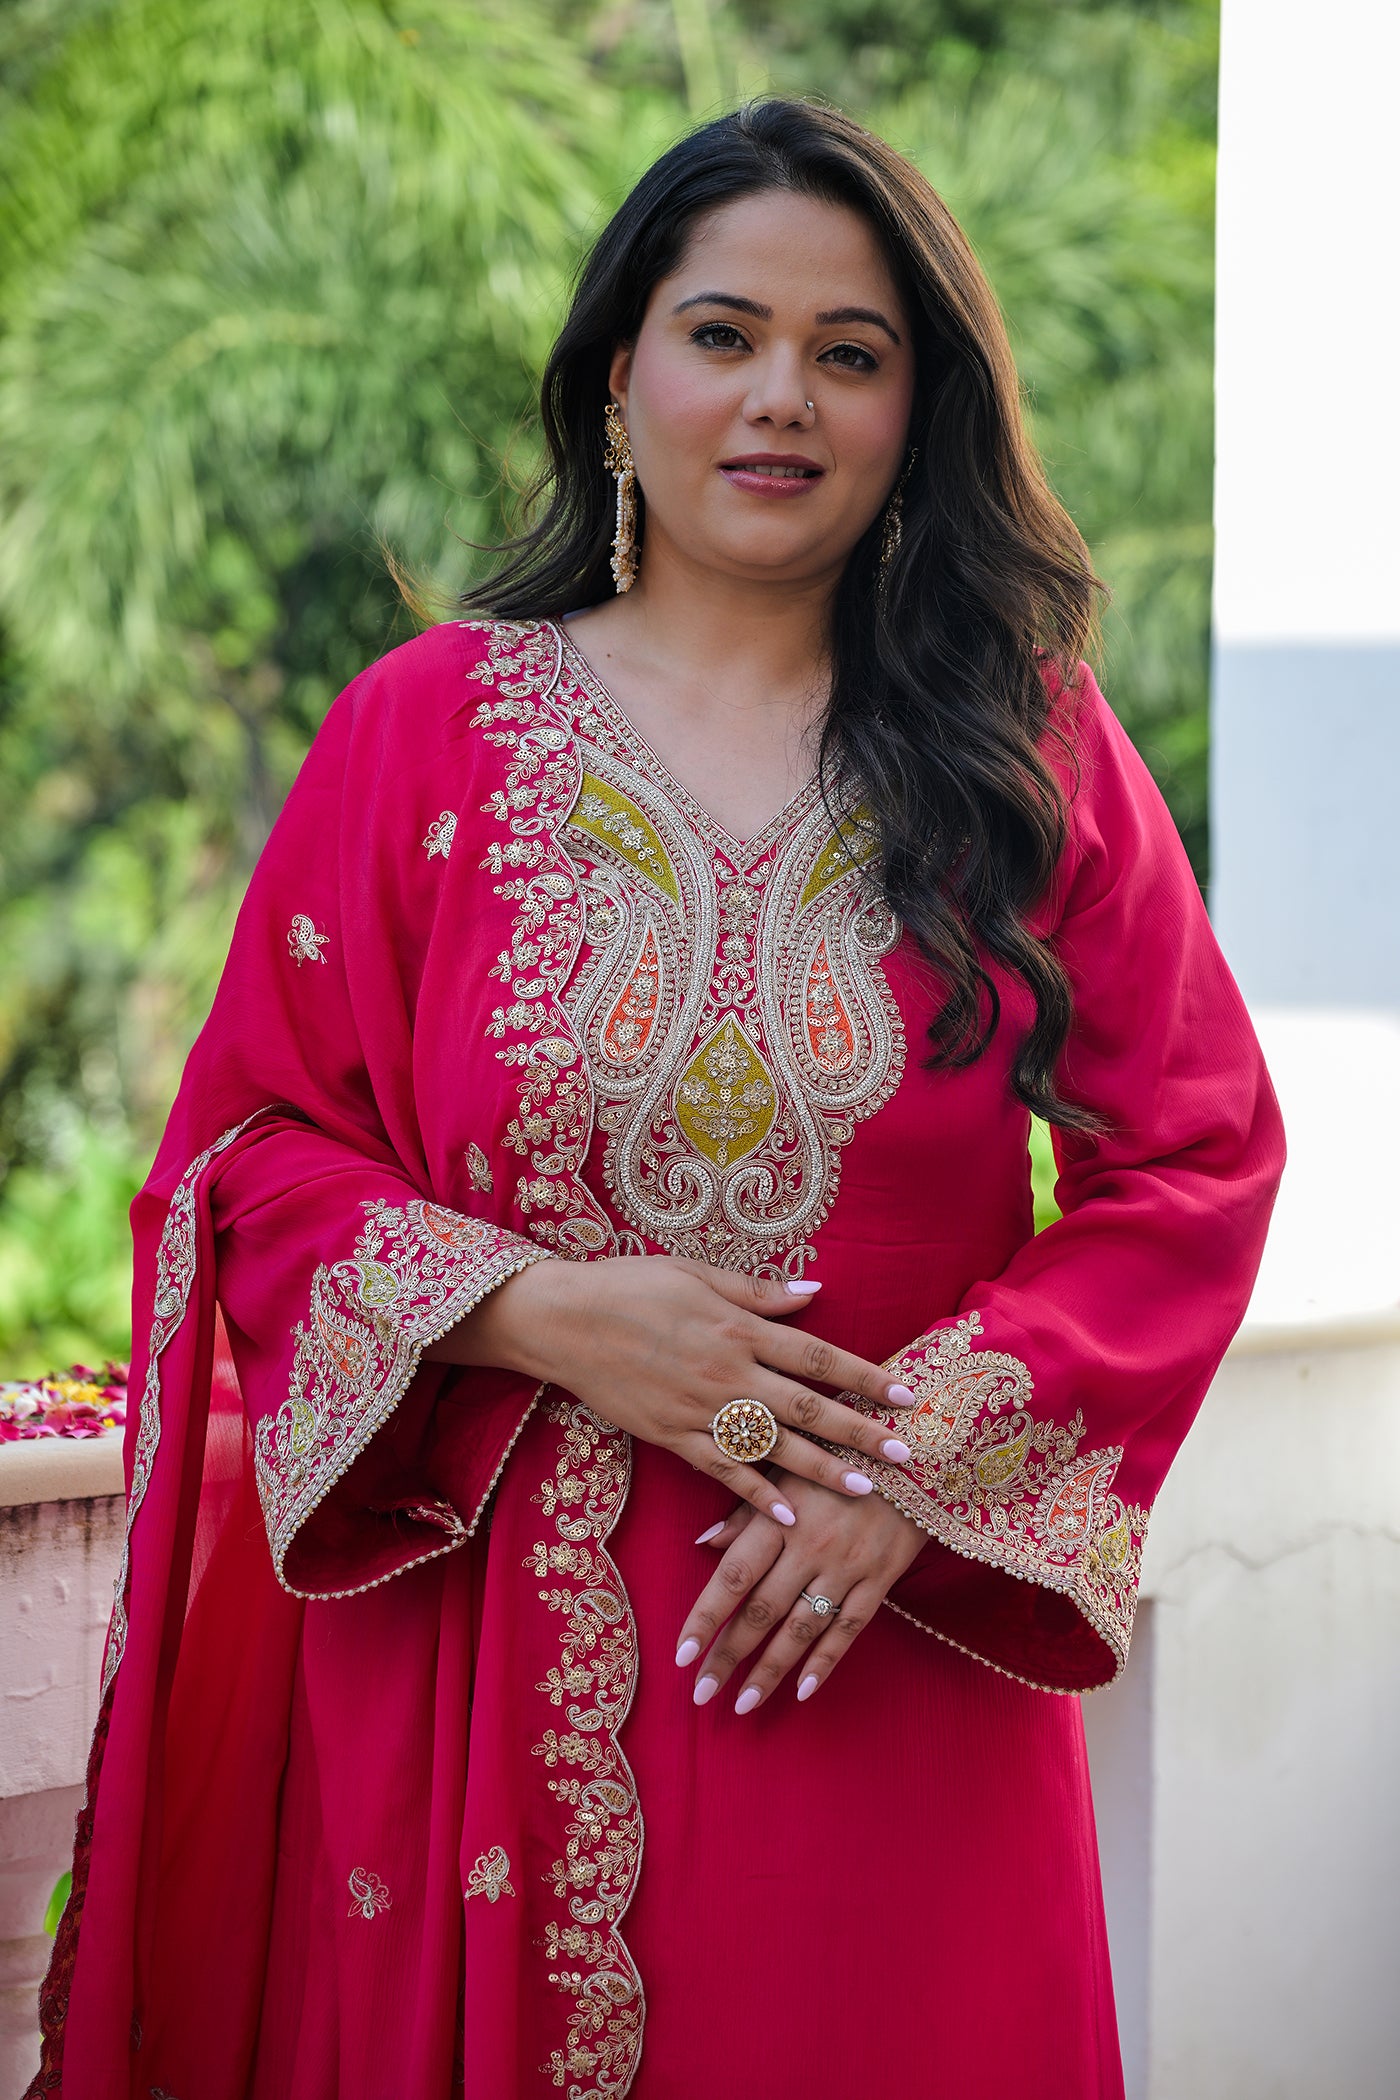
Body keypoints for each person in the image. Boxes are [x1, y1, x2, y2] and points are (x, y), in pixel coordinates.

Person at [31, 98, 1284, 2100]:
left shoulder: (1020, 751)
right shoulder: (418, 735)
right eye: (722, 334)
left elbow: (1194, 1157)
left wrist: (911, 1479)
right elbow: (246, 1166)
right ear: (621, 375)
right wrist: (533, 1310)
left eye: (847, 353)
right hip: (474, 1681)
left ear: (911, 413)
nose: (777, 397)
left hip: (876, 1652)